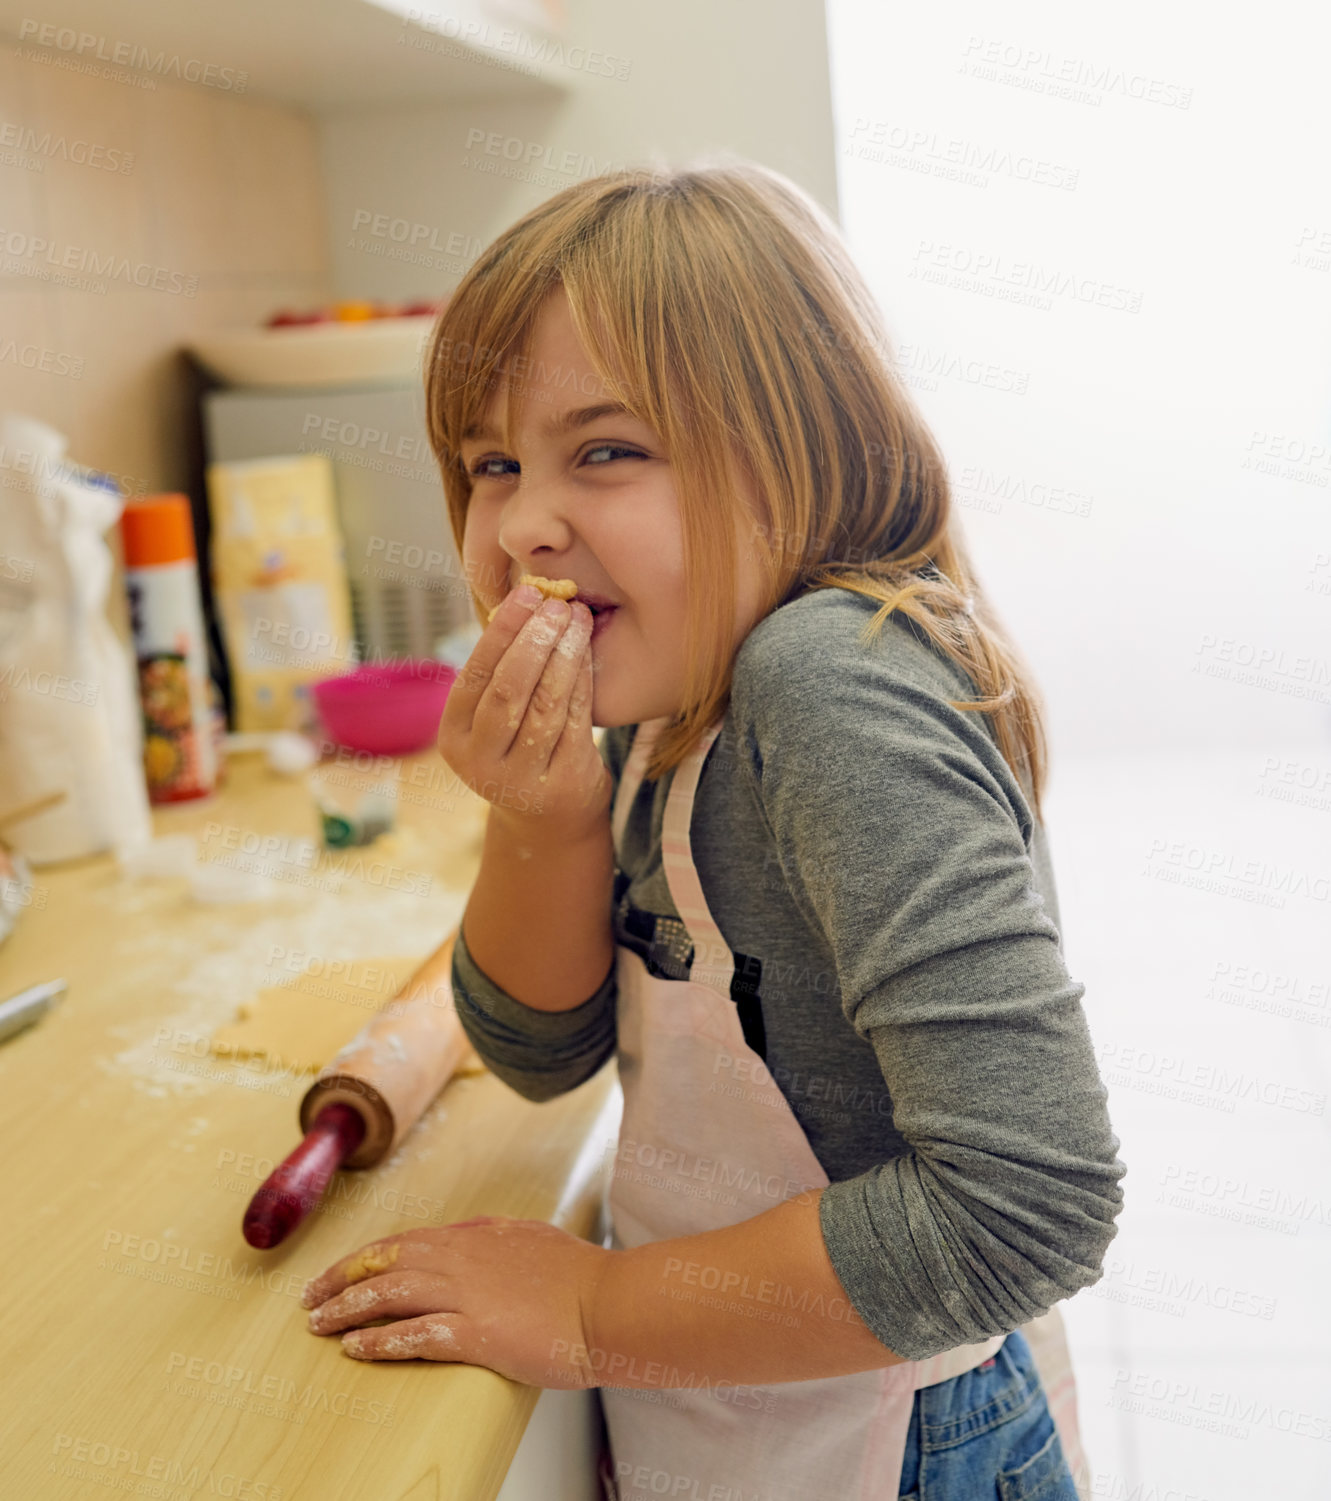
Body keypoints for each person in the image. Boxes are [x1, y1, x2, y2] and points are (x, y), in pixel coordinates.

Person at [300, 158, 1127, 1501]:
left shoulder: (828, 682)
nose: (519, 525)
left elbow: (1025, 1205)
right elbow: (539, 1047)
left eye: (605, 451)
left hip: (897, 1439)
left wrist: (589, 1312)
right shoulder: (683, 679)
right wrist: (549, 821)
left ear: (808, 444)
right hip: (753, 1405)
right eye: (491, 463)